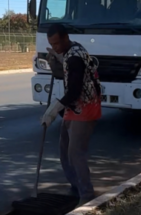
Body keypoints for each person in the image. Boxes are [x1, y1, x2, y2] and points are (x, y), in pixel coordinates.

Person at [41, 23, 102, 205]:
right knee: (64, 149)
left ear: (66, 38)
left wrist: (53, 110)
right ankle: (75, 186)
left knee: (76, 152)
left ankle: (86, 194)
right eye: (52, 45)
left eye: (57, 44)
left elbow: (74, 90)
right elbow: (66, 75)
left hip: (85, 107)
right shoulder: (71, 52)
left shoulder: (75, 57)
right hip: (74, 107)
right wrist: (57, 60)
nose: (55, 47)